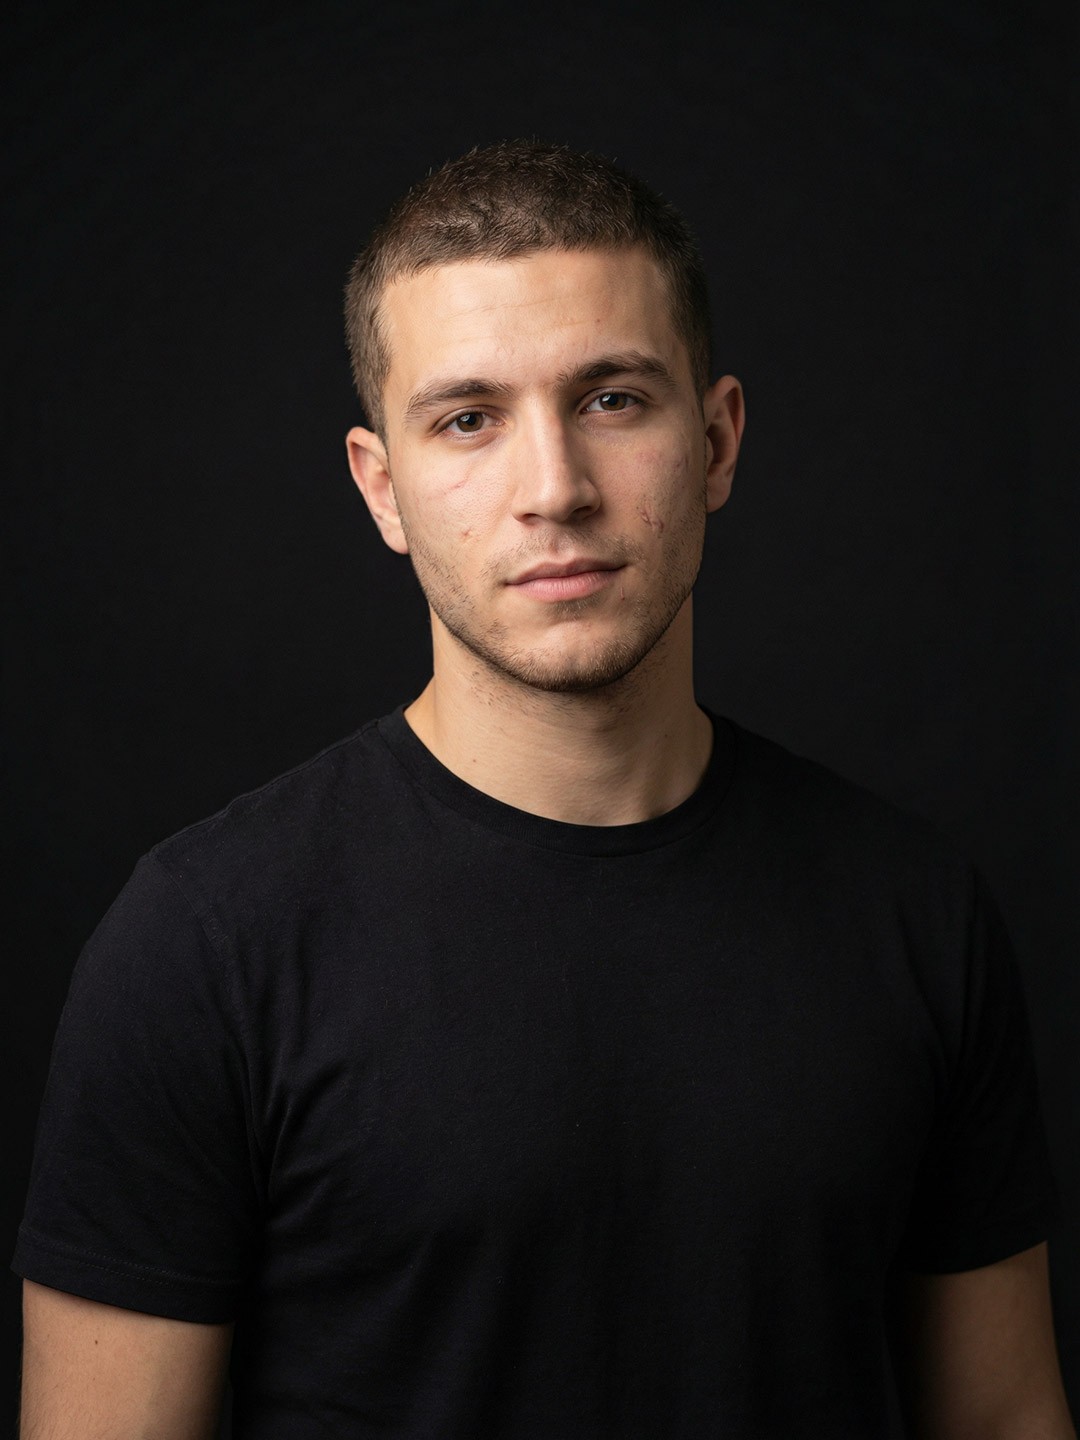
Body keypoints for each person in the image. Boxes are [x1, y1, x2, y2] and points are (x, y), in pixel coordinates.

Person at [14, 141, 1075, 1439]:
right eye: (468, 420)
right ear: (381, 487)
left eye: (615, 399)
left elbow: (1008, 1418)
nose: (554, 490)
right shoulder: (202, 943)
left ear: (721, 438)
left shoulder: (914, 912)